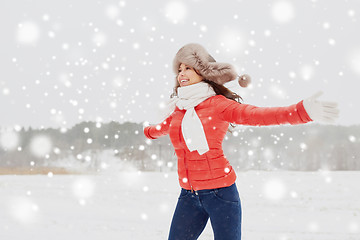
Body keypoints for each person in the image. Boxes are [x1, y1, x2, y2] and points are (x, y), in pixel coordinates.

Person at [143, 43, 339, 240]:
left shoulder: (219, 105)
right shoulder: (180, 109)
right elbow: (162, 128)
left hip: (220, 194)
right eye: (179, 69)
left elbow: (258, 115)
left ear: (203, 72)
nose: (181, 74)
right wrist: (147, 131)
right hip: (188, 195)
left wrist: (301, 111)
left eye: (188, 68)